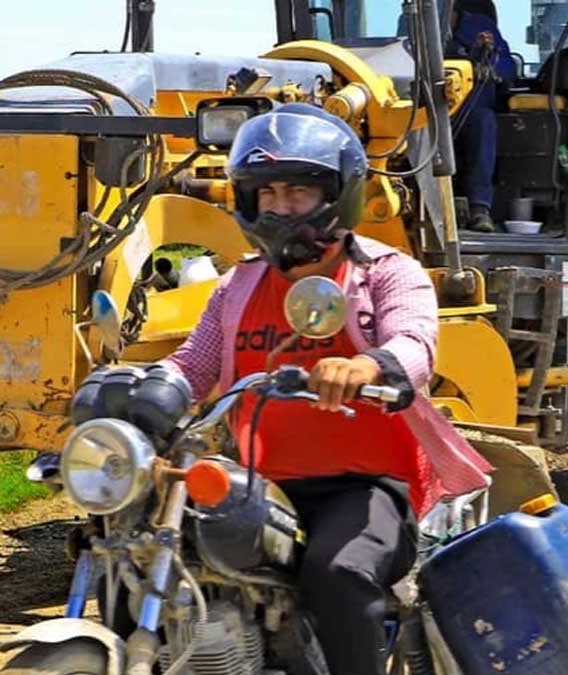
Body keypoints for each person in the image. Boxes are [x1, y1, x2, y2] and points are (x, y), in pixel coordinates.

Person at [159, 104, 493, 675]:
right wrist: (140, 388)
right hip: (260, 487)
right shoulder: (237, 286)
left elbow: (416, 342)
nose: (280, 207)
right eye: (267, 193)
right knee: (152, 554)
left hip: (366, 488)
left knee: (337, 573)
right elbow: (195, 361)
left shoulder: (387, 271)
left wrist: (369, 368)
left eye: (299, 193)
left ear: (337, 198)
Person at [449, 0, 516, 232]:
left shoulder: (481, 26)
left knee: (484, 122)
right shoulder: (412, 28)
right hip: (424, 113)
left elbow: (508, 68)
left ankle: (480, 209)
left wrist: (486, 58)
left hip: (471, 113)